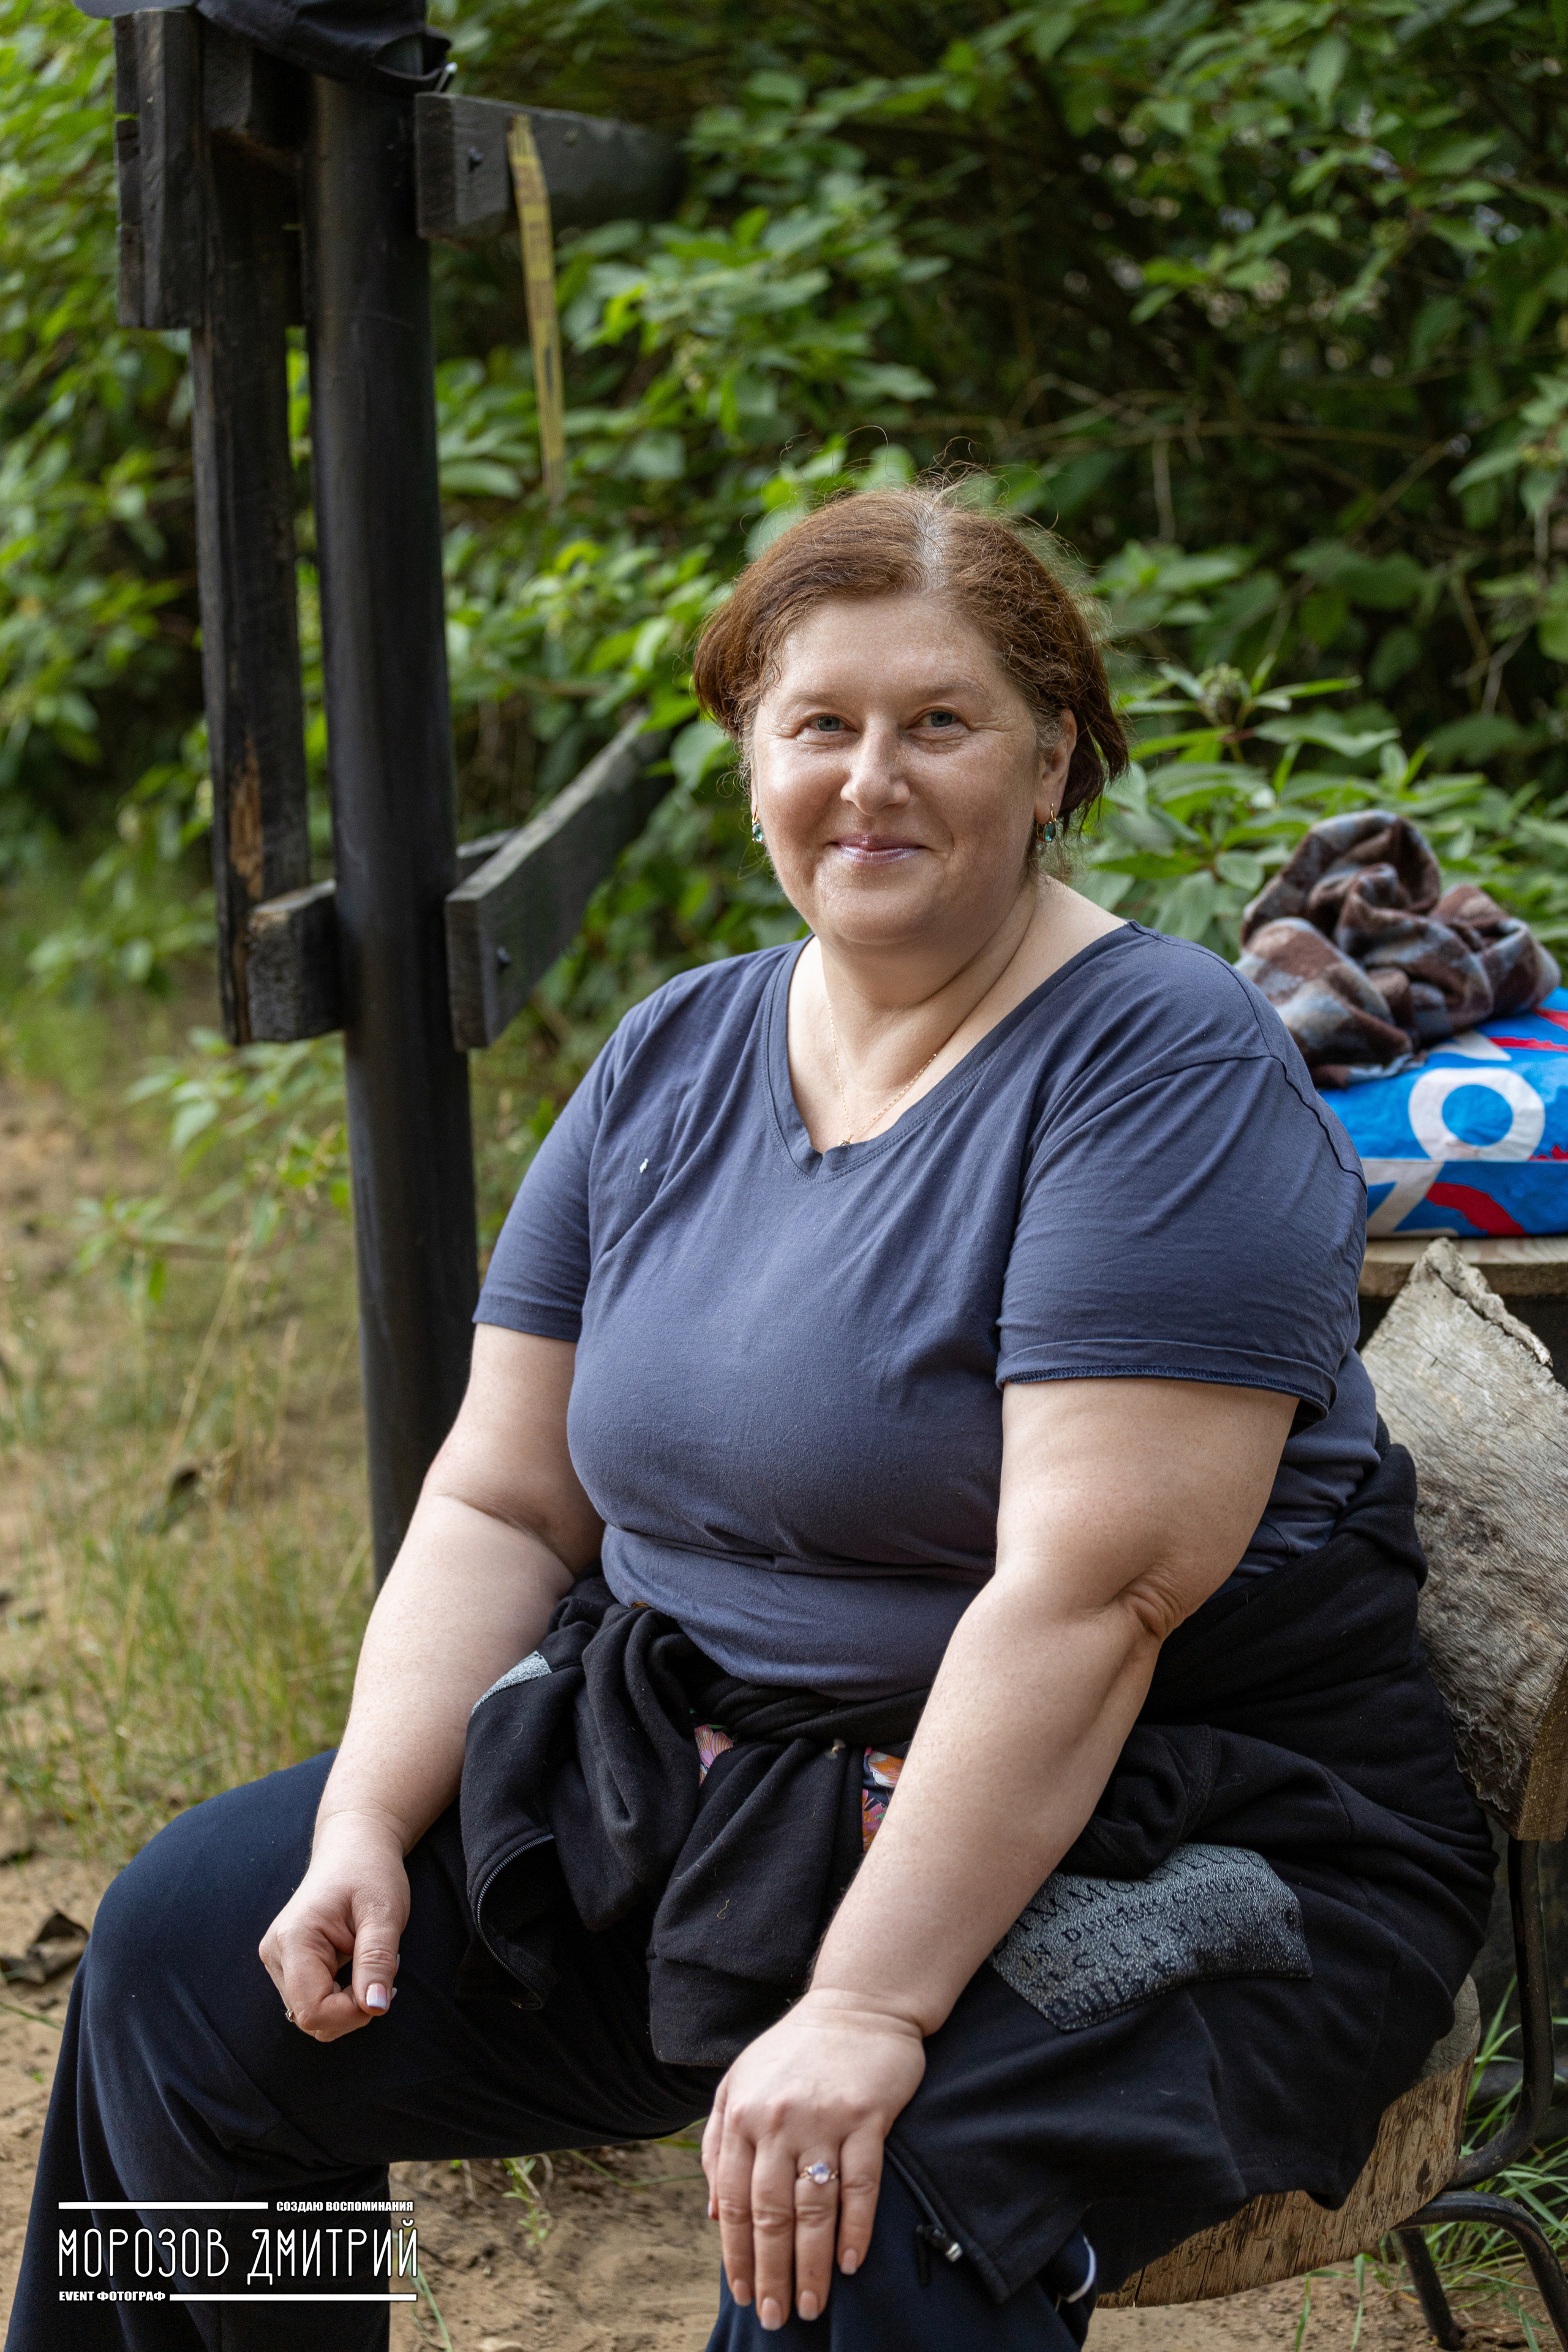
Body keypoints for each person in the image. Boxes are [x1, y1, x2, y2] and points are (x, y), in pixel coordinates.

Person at [9, 486, 1495, 2352]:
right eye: (821, 725)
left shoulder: (1158, 1068)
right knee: (180, 1958)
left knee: (861, 2206)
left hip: (1171, 1830)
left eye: (939, 723)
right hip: (717, 1784)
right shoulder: (677, 1051)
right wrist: (373, 1819)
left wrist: (869, 2008)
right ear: (751, 760)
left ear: (1054, 760)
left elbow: (1089, 1600)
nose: (872, 778)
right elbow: (501, 1501)